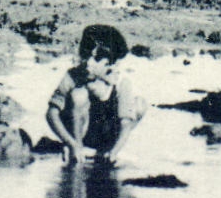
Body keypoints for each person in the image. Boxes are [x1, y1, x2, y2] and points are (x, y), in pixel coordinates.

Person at [46, 24, 146, 166]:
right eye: (87, 56)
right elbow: (51, 113)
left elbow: (125, 124)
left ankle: (105, 150)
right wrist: (70, 143)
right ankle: (77, 149)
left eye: (97, 59)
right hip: (80, 134)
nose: (88, 63)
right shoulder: (75, 75)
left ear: (111, 64)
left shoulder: (121, 82)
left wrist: (114, 152)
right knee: (78, 95)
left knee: (139, 105)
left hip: (106, 134)